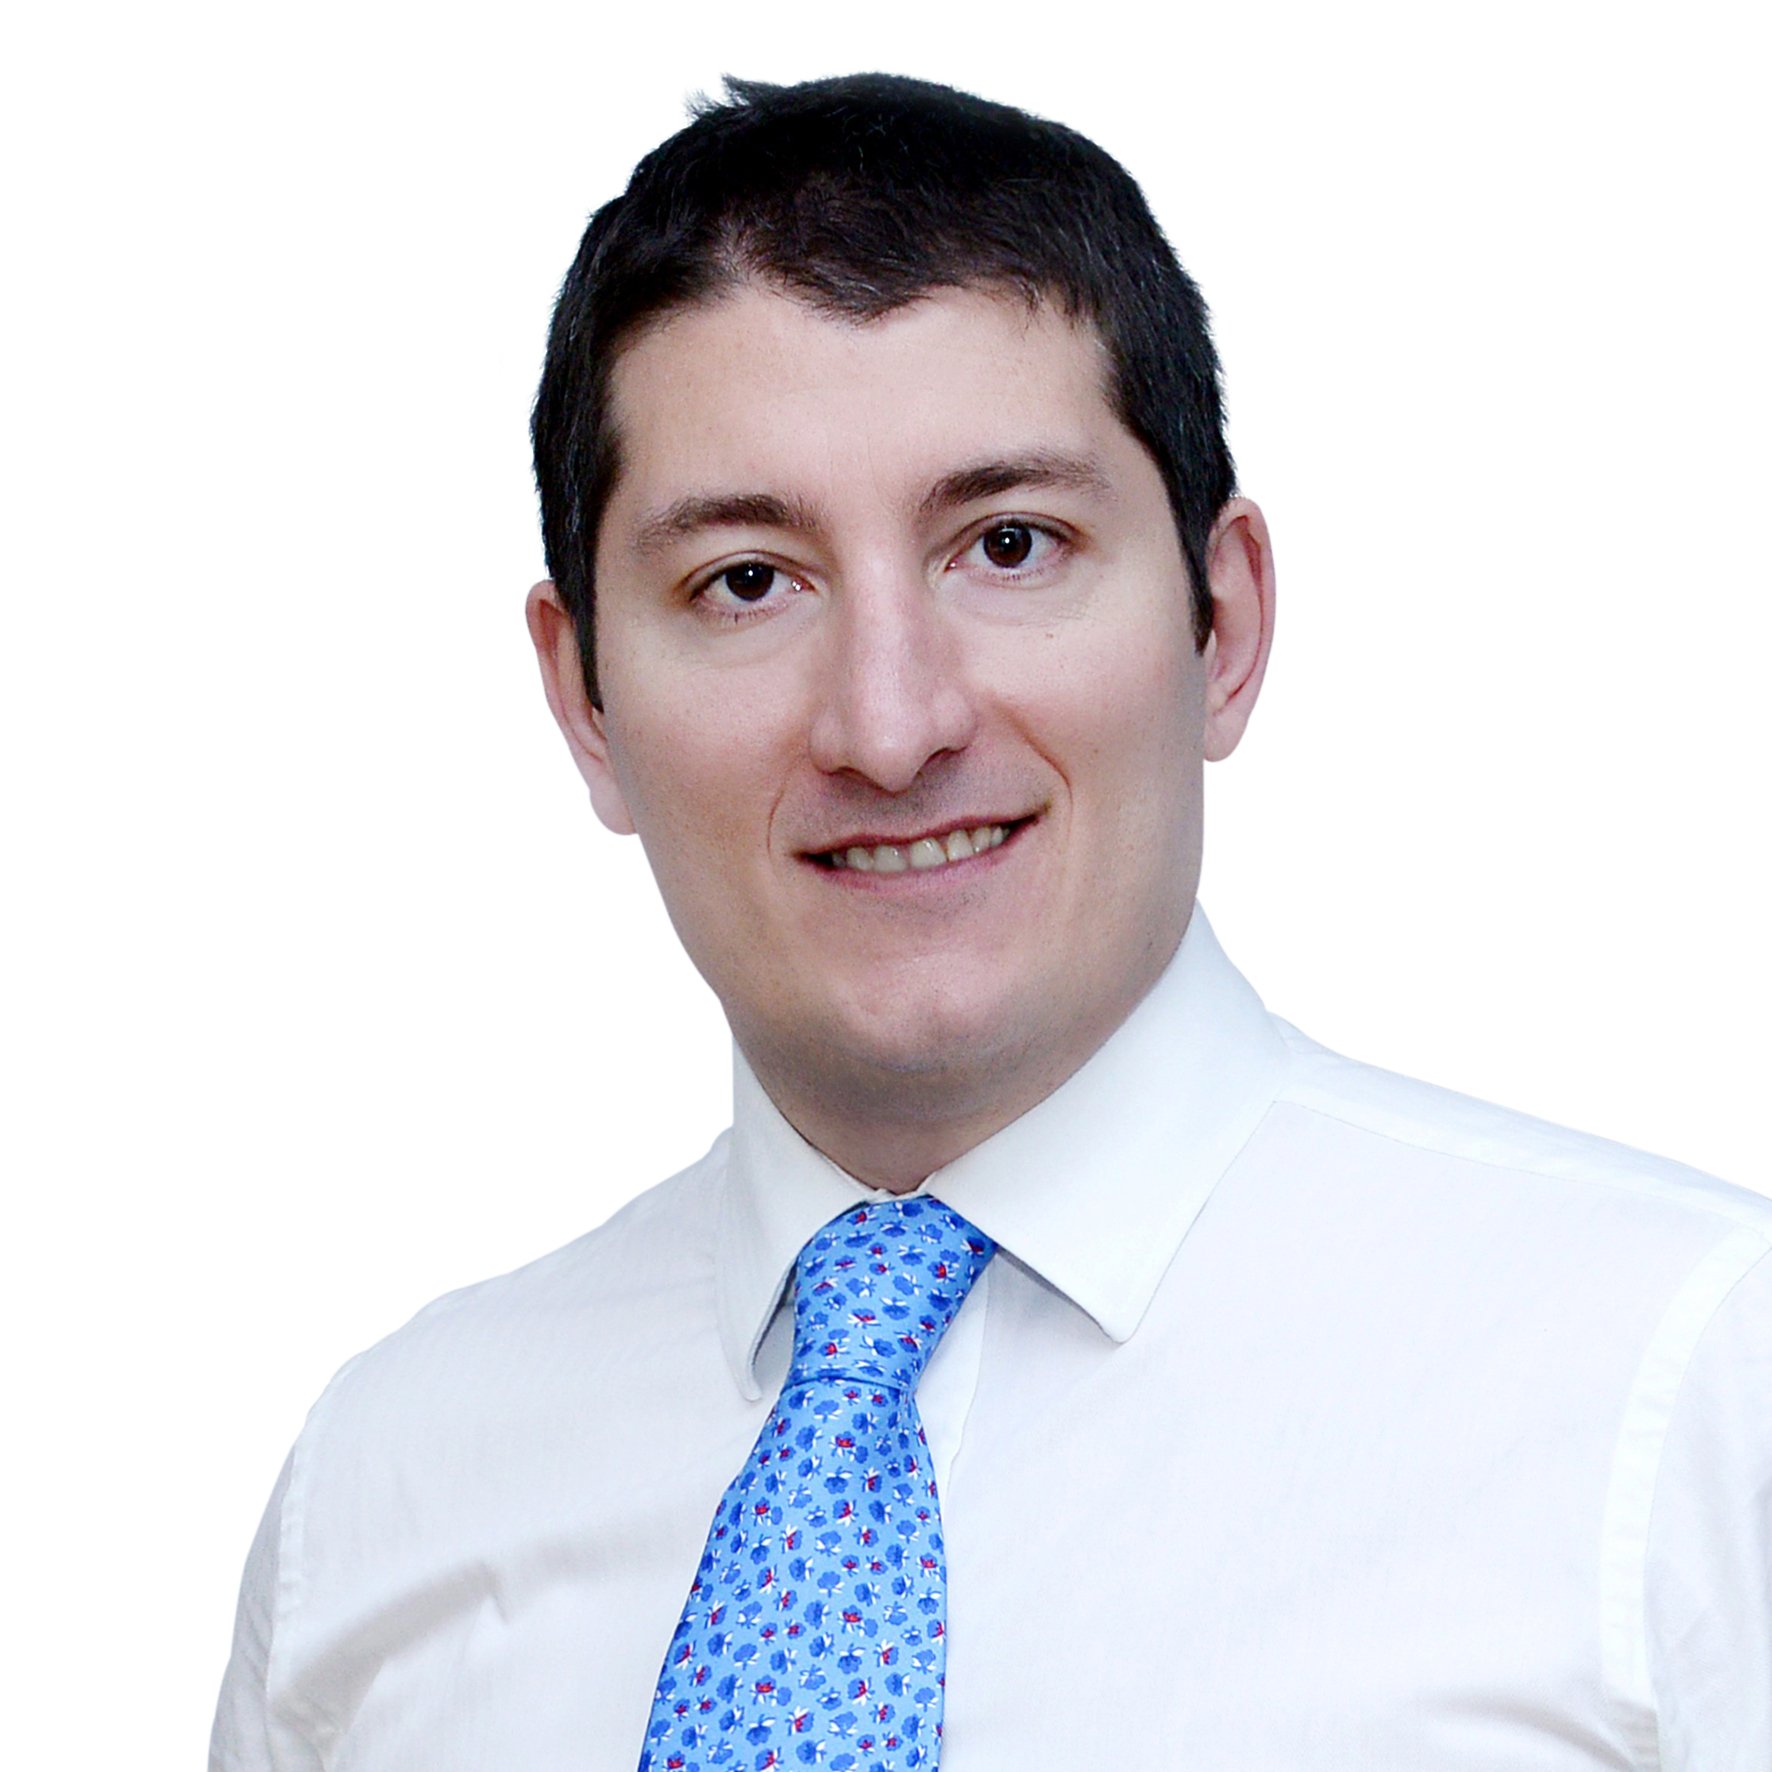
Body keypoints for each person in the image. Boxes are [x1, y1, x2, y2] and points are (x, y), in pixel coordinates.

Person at [211, 73, 1771, 1772]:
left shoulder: (1687, 1395)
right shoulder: (380, 1502)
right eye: (748, 581)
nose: (890, 727)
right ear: (584, 698)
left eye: (1009, 545)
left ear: (1226, 621)